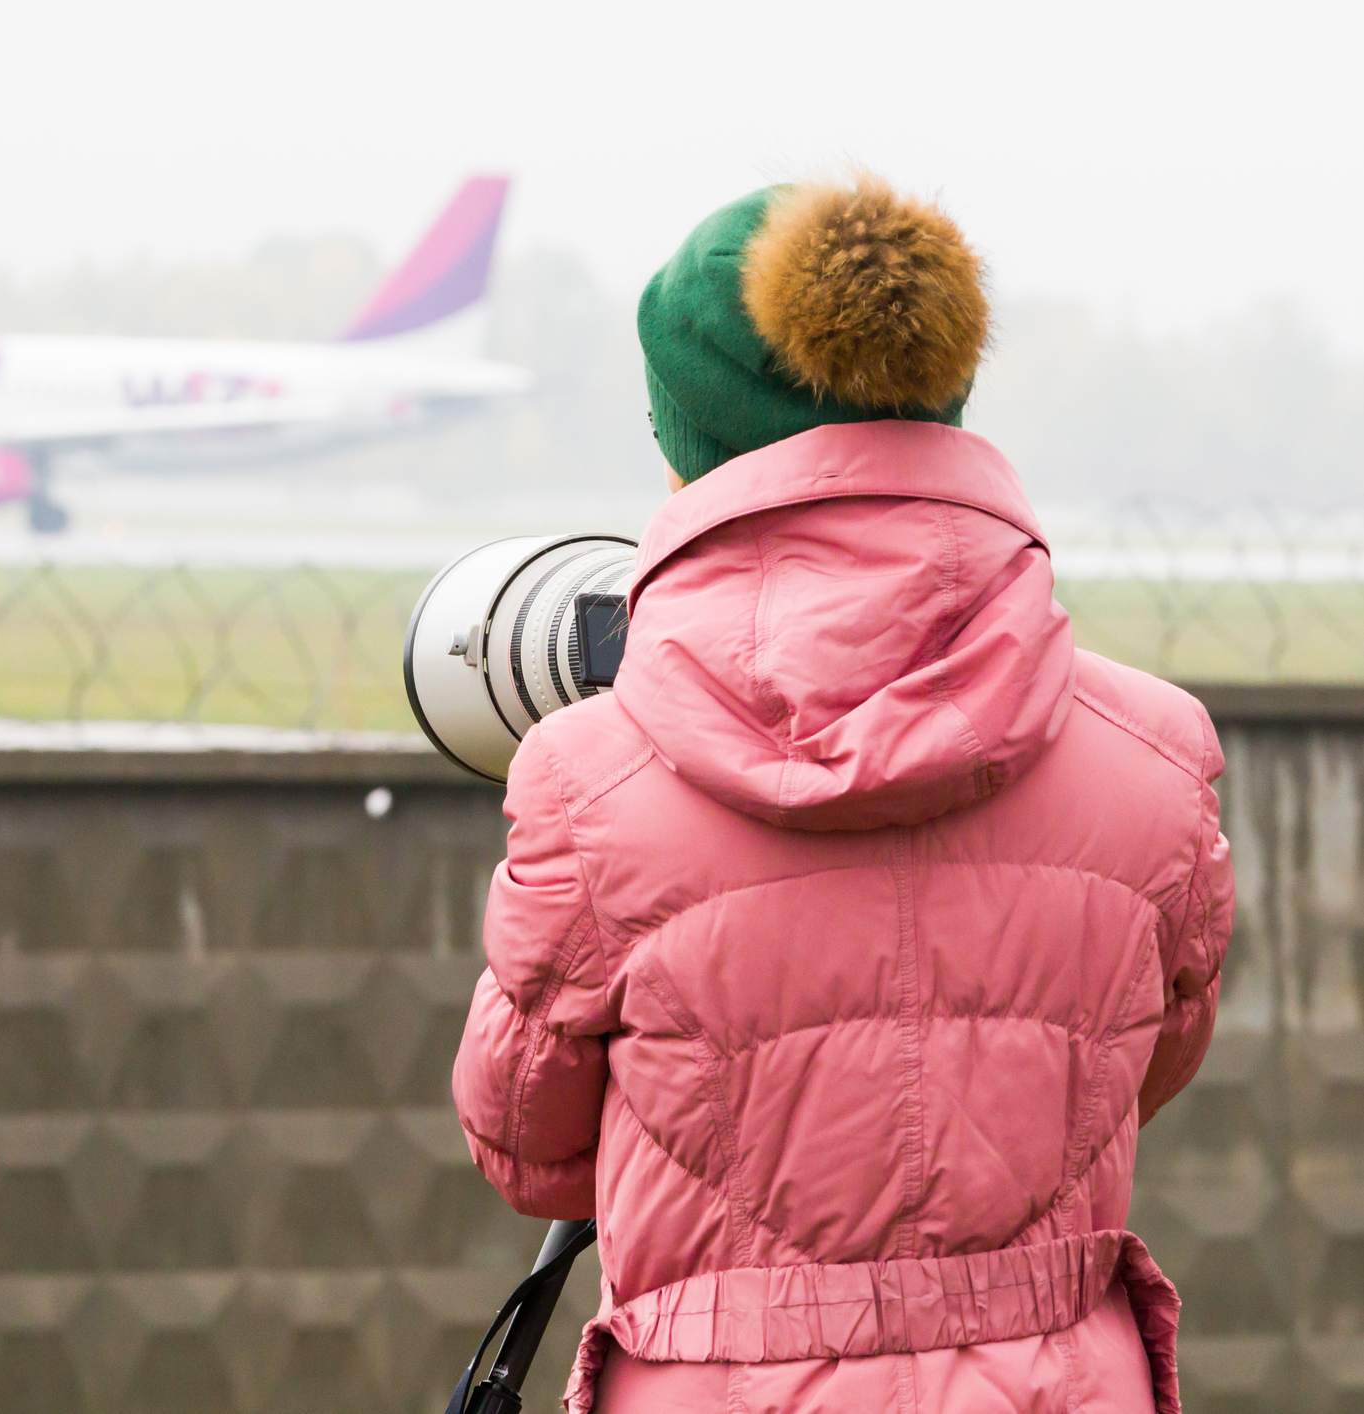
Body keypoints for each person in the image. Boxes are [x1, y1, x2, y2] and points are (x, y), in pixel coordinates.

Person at [451, 175, 1233, 1414]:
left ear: (691, 444)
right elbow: (1144, 1066)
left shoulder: (586, 782)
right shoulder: (1159, 752)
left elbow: (529, 1151)